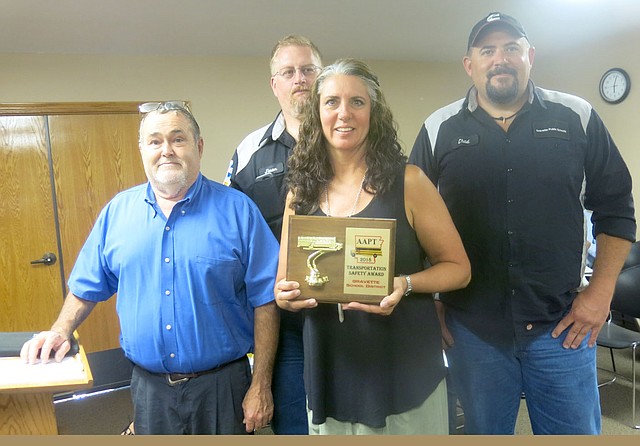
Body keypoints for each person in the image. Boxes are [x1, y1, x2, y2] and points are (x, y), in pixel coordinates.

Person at [409, 12, 636, 435]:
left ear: (530, 56)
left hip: (563, 327)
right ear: (469, 63)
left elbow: (617, 209)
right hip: (473, 331)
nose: (501, 59)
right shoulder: (438, 128)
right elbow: (413, 222)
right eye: (488, 50)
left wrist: (602, 292)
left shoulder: (577, 117)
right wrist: (431, 299)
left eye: (512, 48)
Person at [21, 101, 280, 435]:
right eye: (155, 141)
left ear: (198, 147)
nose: (166, 150)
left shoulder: (239, 212)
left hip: (222, 389)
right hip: (149, 390)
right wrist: (60, 330)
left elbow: (266, 300)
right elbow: (86, 286)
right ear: (142, 149)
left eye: (178, 139)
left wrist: (261, 385)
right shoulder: (118, 213)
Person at [275, 58, 471, 435]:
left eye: (357, 102)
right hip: (331, 372)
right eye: (331, 102)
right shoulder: (300, 193)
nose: (343, 113)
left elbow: (459, 269)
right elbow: (283, 284)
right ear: (317, 113)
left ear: (374, 112)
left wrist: (405, 283)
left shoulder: (409, 182)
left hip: (403, 373)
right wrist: (285, 296)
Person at [223, 35, 323, 435]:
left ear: (322, 74)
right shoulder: (251, 151)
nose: (299, 79)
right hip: (285, 325)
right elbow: (230, 232)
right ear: (274, 83)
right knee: (296, 425)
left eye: (308, 69)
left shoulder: (351, 136)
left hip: (352, 315)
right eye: (288, 72)